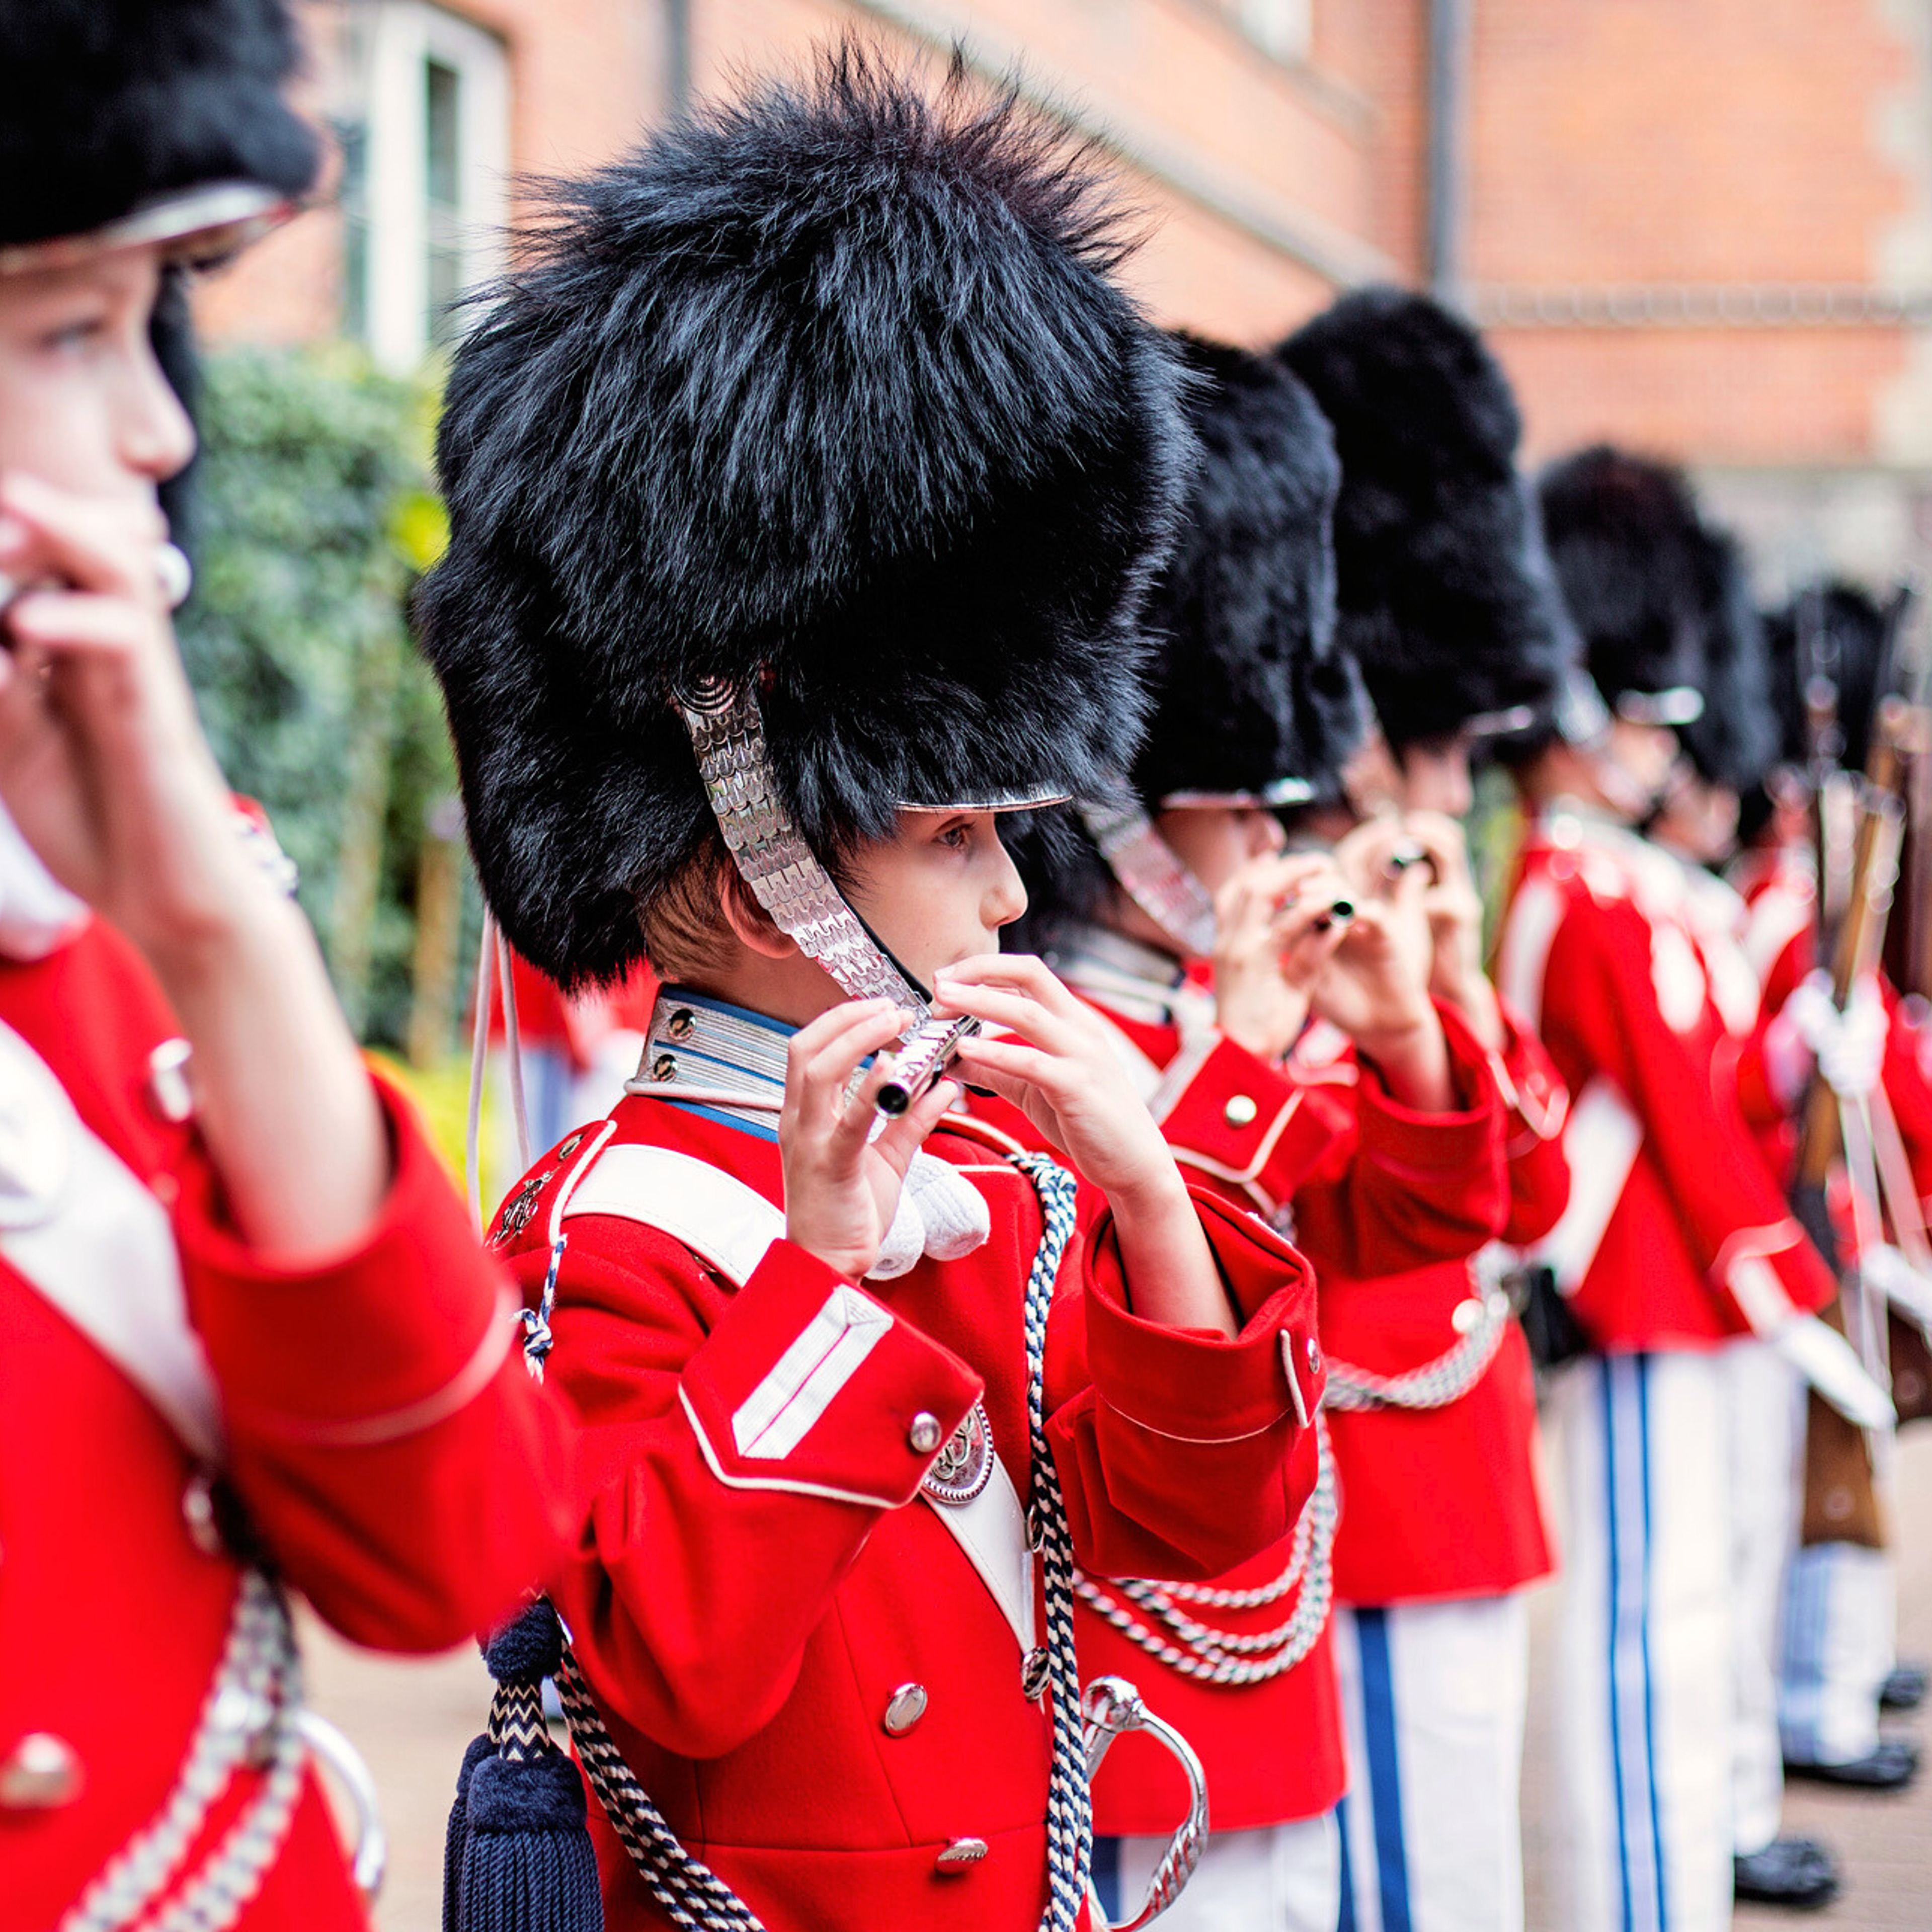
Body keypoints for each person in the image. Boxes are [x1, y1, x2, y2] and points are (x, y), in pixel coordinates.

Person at [414, 50, 1328, 1932]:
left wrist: (1149, 1189)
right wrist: (816, 1274)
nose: (1011, 886)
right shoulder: (605, 1229)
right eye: (951, 831)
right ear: (759, 851)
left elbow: (1204, 1533)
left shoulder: (994, 1171)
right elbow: (678, 1663)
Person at [0, 5, 576, 1927]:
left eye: (151, 316)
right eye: (70, 327)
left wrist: (220, 946)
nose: (164, 421)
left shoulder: (127, 933)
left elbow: (449, 1550)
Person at [1000, 332, 1515, 1932]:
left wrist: (1412, 1027)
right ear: (1115, 799)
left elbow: (1427, 1222)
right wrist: (1237, 1057)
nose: (1271, 829)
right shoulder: (1040, 1035)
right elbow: (1121, 1311)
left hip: (1271, 1674)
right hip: (1129, 1696)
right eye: (1239, 798)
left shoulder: (1222, 1002)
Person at [1495, 447, 1856, 1932]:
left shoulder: (1618, 884)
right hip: (1642, 1295)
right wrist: (1781, 1268)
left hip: (1679, 1296)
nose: (1661, 747)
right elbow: (1681, 1114)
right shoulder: (1583, 894)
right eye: (1637, 715)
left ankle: (1678, 1876)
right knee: (1645, 1631)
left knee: (1689, 1603)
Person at [1277, 286, 1573, 1932]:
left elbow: (1522, 1190)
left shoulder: (1410, 885)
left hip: (1453, 1436)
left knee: (1453, 1863)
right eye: (1441, 738)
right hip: (1353, 1467)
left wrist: (1445, 998)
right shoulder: (1267, 916)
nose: (1463, 779)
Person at [1647, 523, 1844, 1909]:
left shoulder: (1687, 901)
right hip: (1681, 1278)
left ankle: (1728, 1803)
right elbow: (1688, 1103)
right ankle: (1701, 1823)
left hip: (1728, 1267)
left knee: (1739, 1548)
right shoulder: (1615, 900)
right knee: (1681, 1592)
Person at [1734, 581, 1930, 1795]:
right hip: (1789, 1212)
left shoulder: (1831, 867)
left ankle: (1838, 1682)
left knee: (1852, 1452)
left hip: (1838, 1205)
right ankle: (1817, 1700)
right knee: (1807, 1474)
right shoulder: (1775, 892)